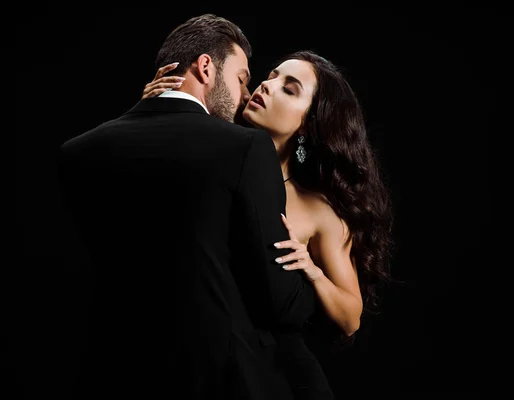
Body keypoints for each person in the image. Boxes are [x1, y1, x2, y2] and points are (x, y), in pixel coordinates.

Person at [57, 14, 319, 400]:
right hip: (216, 380)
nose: (247, 94)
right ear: (206, 67)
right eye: (243, 78)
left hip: (111, 374)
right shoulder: (245, 149)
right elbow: (279, 304)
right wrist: (312, 278)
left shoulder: (77, 152)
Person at [143, 49, 395, 390]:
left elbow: (351, 318)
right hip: (185, 362)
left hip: (269, 376)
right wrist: (152, 112)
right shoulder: (213, 156)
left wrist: (312, 269)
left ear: (308, 124)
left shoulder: (317, 209)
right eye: (272, 76)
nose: (267, 85)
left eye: (289, 89)